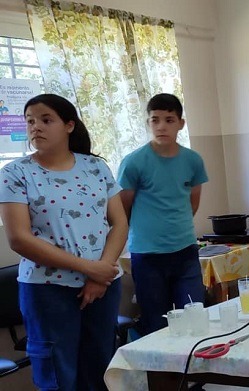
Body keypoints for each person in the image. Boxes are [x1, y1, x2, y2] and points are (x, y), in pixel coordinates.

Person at [0, 94, 126, 390]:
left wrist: (101, 273)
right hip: (48, 290)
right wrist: (90, 269)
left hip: (104, 285)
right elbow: (19, 238)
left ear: (69, 125)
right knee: (57, 372)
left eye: (46, 120)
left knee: (100, 367)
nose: (36, 127)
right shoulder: (16, 174)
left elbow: (119, 223)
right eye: (30, 121)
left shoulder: (95, 167)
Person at [118, 93, 209, 335]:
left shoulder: (193, 160)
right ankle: (161, 374)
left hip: (185, 250)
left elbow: (193, 203)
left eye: (169, 120)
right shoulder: (134, 162)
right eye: (155, 120)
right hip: (147, 254)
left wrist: (175, 228)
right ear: (148, 123)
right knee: (157, 323)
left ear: (181, 123)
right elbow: (122, 209)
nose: (161, 126)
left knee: (194, 315)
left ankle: (192, 372)